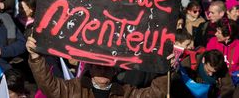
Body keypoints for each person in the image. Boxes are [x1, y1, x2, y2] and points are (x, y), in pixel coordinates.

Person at [26, 36, 169, 98]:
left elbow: (155, 94)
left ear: (114, 70)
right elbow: (48, 85)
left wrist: (164, 68)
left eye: (107, 67)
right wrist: (35, 57)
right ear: (90, 68)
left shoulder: (126, 93)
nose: (102, 71)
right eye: (98, 67)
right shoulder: (73, 89)